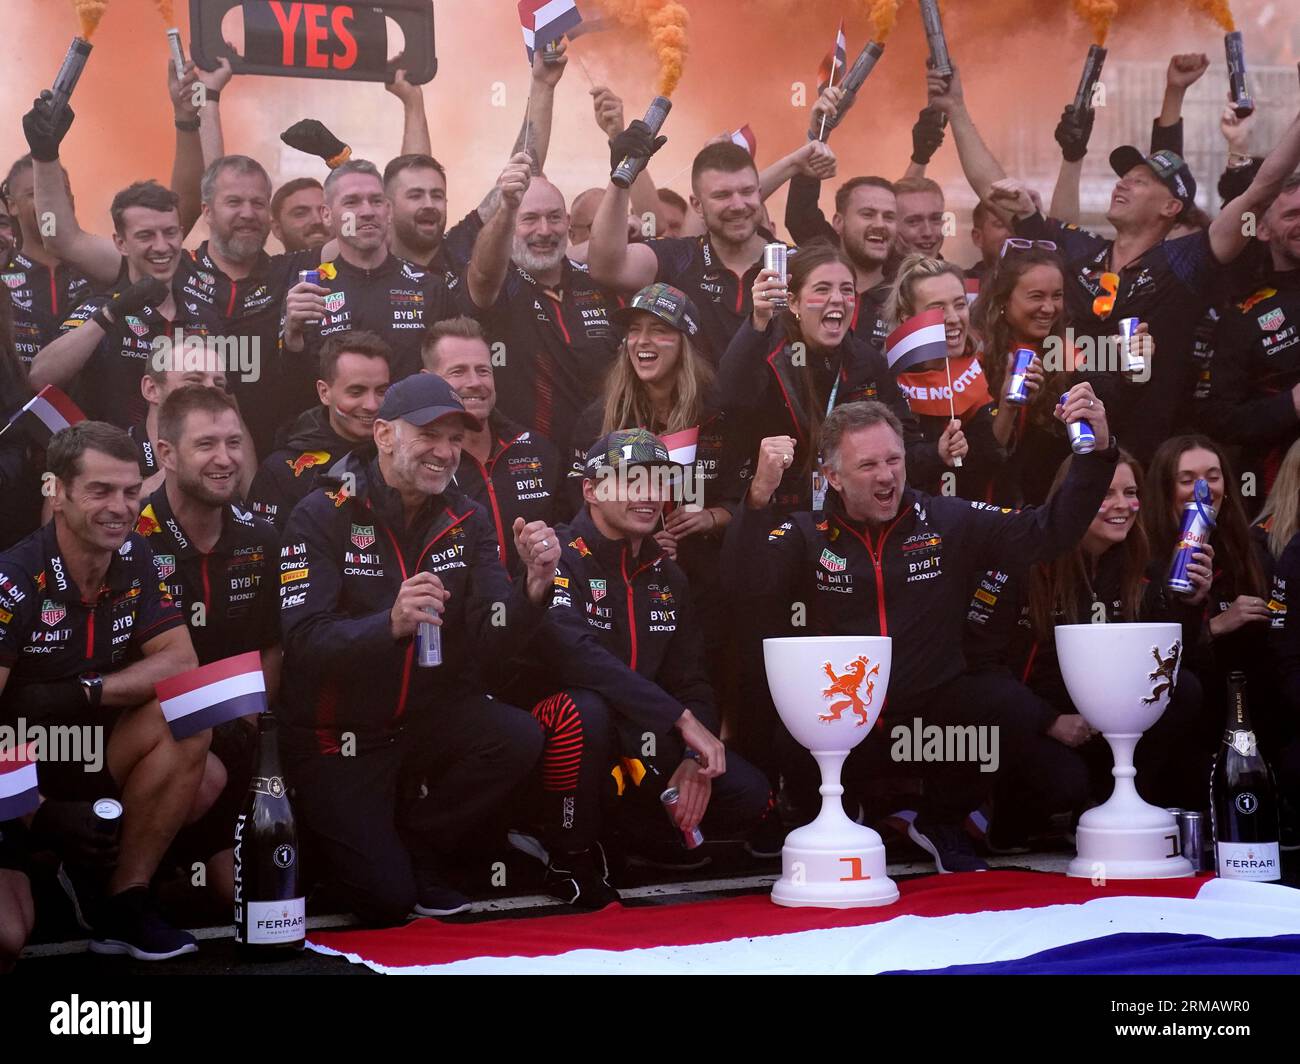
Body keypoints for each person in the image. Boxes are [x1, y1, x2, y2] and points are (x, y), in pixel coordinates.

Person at [726, 393, 1117, 872]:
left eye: (894, 459)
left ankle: (940, 819)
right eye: (867, 465)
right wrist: (758, 498)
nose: (887, 475)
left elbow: (1046, 532)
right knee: (784, 714)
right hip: (844, 724)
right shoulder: (807, 532)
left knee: (1000, 701)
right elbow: (743, 588)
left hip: (931, 726)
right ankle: (834, 816)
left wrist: (1095, 455)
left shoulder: (946, 519)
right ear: (833, 476)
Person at [277, 373, 553, 925]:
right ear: (383, 434)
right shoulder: (321, 512)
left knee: (518, 735)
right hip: (340, 735)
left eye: (455, 438)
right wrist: (390, 624)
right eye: (429, 434)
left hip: (425, 718)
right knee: (385, 903)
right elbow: (303, 642)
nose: (445, 452)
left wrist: (533, 587)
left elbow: (491, 635)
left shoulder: (466, 517)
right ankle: (346, 844)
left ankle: (420, 847)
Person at [934, 59, 1300, 462]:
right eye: (1123, 177)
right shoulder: (1077, 250)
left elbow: (1261, 191)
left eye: (1141, 181)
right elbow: (994, 191)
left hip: (1135, 467)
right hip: (1054, 457)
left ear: (1171, 206)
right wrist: (956, 109)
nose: (1123, 183)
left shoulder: (1185, 263)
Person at [521, 429, 772, 906]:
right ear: (591, 490)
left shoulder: (667, 573)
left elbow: (691, 678)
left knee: (749, 795)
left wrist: (691, 760)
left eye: (659, 482)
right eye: (631, 481)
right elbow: (576, 655)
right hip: (557, 739)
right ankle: (565, 854)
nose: (649, 494)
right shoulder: (557, 554)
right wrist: (682, 721)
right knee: (585, 709)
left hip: (638, 741)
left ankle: (626, 838)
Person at [0, 422, 204, 959]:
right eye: (100, 491)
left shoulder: (137, 557)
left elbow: (181, 662)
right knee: (6, 937)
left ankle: (122, 903)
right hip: (13, 780)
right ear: (56, 492)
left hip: (88, 757)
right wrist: (37, 811)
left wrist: (83, 692)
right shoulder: (14, 580)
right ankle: (48, 865)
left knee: (187, 713)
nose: (120, 507)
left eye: (131, 491)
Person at [963, 450, 1212, 830]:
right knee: (1064, 785)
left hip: (1109, 722)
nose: (1122, 506)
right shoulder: (1023, 560)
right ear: (1073, 497)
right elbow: (981, 666)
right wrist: (1049, 721)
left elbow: (1167, 661)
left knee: (1185, 690)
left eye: (1130, 492)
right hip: (1036, 721)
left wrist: (1192, 605)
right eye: (1105, 493)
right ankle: (1009, 813)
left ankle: (1121, 805)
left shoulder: (1142, 563)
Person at [135, 385, 281, 907]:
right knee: (204, 778)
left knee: (246, 895)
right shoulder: (130, 538)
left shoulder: (262, 538)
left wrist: (249, 732)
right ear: (166, 454)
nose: (225, 459)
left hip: (238, 730)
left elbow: (271, 647)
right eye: (206, 445)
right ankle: (113, 873)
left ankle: (183, 860)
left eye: (234, 443)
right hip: (154, 731)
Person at [720, 241, 943, 514]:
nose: (837, 298)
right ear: (793, 302)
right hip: (779, 517)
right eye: (822, 289)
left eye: (846, 290)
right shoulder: (767, 351)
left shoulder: (867, 361)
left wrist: (939, 452)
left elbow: (905, 447)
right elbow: (730, 398)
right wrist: (758, 320)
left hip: (850, 518)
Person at [28, 181, 222, 429]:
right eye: (145, 235)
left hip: (190, 461)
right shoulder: (100, 308)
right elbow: (39, 377)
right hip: (115, 464)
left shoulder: (205, 318)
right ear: (120, 243)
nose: (162, 246)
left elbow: (230, 406)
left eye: (170, 232)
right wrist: (111, 313)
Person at [280, 159, 473, 404]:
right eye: (352, 202)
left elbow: (453, 376)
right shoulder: (310, 291)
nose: (367, 211)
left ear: (388, 211)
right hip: (336, 438)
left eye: (376, 201)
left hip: (412, 433)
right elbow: (290, 392)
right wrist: (292, 339)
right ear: (327, 215)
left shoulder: (429, 287)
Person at [463, 162, 623, 444]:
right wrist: (507, 209)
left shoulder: (600, 283)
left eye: (554, 217)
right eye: (529, 219)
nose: (545, 230)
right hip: (521, 462)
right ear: (508, 226)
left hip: (599, 457)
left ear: (569, 222)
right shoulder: (498, 283)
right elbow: (483, 274)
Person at [589, 139, 780, 364]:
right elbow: (607, 267)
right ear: (697, 205)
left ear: (759, 193)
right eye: (722, 195)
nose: (738, 205)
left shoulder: (796, 262)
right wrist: (621, 179)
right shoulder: (678, 256)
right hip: (693, 400)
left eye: (747, 192)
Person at [1145, 435, 1275, 738]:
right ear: (1165, 490)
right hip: (1180, 717)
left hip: (1245, 709)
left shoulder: (1250, 550)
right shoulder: (1145, 556)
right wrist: (1216, 625)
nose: (1203, 488)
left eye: (1212, 477)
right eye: (1186, 479)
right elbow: (1149, 660)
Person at [421, 316, 562, 574]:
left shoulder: (537, 450)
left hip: (536, 607)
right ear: (427, 379)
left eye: (483, 370)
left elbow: (571, 540)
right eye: (458, 371)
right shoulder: (420, 464)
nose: (475, 382)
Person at [1199, 175, 1300, 502]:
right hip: (1282, 497)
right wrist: (1292, 404)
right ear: (1263, 230)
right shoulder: (1244, 315)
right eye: (1291, 215)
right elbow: (1220, 418)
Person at [885, 255, 1003, 500]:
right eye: (938, 309)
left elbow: (992, 454)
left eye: (959, 304)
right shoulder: (886, 376)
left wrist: (1010, 408)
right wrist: (936, 454)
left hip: (970, 519)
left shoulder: (976, 365)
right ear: (908, 319)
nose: (953, 317)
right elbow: (888, 463)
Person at [249, 330, 392, 531]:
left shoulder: (403, 456)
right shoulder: (282, 471)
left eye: (381, 391)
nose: (371, 404)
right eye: (356, 392)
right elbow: (265, 554)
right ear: (324, 392)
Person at [970, 243, 1074, 505]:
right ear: (1004, 299)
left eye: (1057, 295)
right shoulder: (974, 355)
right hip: (983, 509)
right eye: (1036, 296)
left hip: (1042, 511)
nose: (1049, 308)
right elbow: (976, 461)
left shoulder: (1071, 354)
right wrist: (1009, 406)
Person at [0, 156, 91, 365]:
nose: (50, 202)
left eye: (61, 191)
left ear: (73, 199)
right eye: (35, 194)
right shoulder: (4, 275)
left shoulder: (100, 274)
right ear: (12, 206)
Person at [133, 363, 238, 498]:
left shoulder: (229, 467)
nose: (210, 391)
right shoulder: (114, 453)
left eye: (219, 384)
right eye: (194, 380)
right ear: (151, 389)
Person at [893, 177, 948, 259]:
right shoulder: (873, 271)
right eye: (913, 222)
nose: (928, 232)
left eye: (935, 219)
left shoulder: (955, 271)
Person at [270, 177, 328, 254]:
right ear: (277, 229)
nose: (318, 220)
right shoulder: (268, 266)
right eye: (300, 213)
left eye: (324, 211)